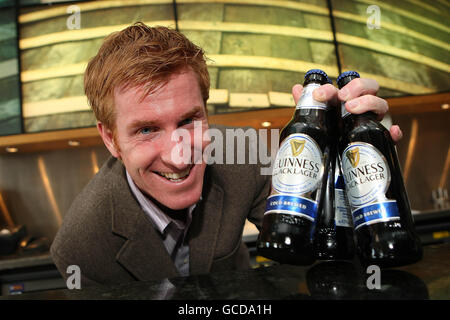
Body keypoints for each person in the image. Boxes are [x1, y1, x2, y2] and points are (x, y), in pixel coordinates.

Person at [50, 22, 403, 287]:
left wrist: (351, 158)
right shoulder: (81, 247)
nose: (178, 157)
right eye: (146, 130)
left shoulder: (242, 156)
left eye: (189, 120)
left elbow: (322, 245)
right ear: (110, 139)